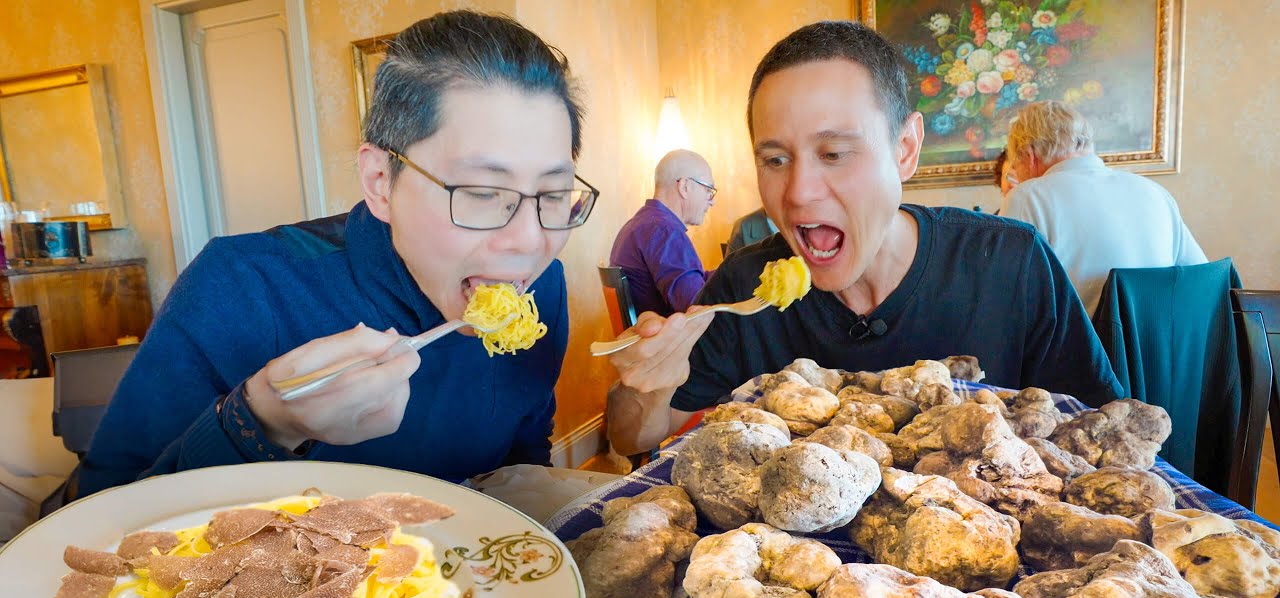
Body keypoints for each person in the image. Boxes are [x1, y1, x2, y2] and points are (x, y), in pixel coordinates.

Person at [78, 11, 598, 496]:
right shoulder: (241, 287)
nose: (530, 241)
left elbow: (525, 450)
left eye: (553, 196)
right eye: (483, 193)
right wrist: (262, 423)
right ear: (379, 182)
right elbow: (93, 521)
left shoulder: (540, 285)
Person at [604, 21, 1122, 456]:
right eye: (775, 160)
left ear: (905, 149)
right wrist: (646, 383)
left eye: (833, 153)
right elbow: (630, 439)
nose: (799, 193)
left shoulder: (1010, 264)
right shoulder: (744, 288)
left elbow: (1103, 434)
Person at [1000, 100, 1206, 316]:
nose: (1016, 176)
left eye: (1015, 166)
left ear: (1029, 155)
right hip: (1160, 346)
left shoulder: (1027, 197)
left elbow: (1004, 297)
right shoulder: (1155, 192)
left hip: (1079, 348)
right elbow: (1201, 278)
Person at [609, 150, 715, 315]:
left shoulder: (642, 224)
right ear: (684, 187)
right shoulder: (664, 232)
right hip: (671, 338)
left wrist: (731, 272)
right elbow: (697, 308)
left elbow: (692, 282)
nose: (712, 201)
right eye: (709, 190)